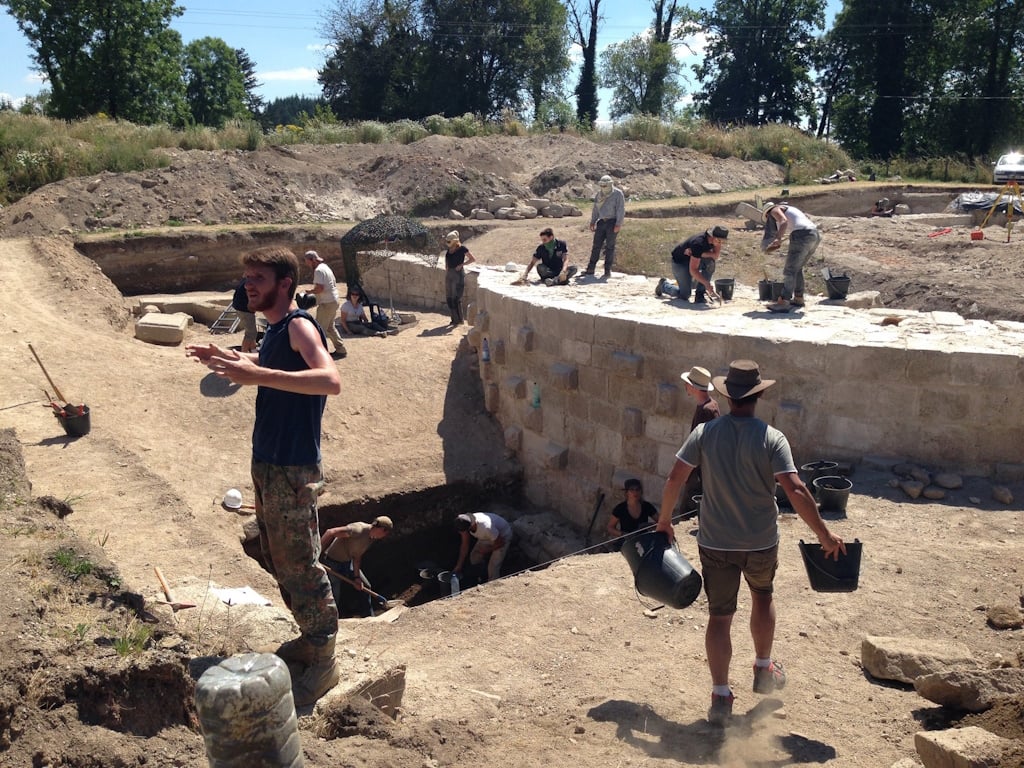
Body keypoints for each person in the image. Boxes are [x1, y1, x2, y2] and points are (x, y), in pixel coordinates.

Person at [185, 245, 343, 708]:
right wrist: (235, 362)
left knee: (301, 562)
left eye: (258, 277)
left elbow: (329, 379)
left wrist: (258, 375)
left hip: (294, 466)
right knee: (280, 557)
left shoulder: (298, 325)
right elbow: (275, 371)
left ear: (285, 284)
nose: (248, 285)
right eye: (247, 276)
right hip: (269, 464)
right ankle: (310, 640)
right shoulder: (275, 328)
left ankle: (325, 657)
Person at [656, 359, 845, 727]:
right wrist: (824, 533)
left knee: (720, 617)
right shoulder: (772, 437)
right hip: (759, 541)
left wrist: (664, 521)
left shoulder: (705, 434)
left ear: (727, 398)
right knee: (763, 596)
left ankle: (721, 695)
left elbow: (674, 478)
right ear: (758, 396)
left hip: (715, 541)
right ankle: (762, 668)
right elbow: (795, 487)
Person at [320, 516, 393, 616]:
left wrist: (357, 577)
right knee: (333, 595)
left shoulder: (371, 538)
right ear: (381, 529)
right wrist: (317, 553)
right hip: (332, 563)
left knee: (365, 586)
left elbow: (357, 557)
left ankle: (368, 617)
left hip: (347, 563)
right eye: (385, 533)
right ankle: (332, 621)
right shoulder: (358, 529)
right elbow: (331, 532)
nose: (383, 537)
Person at [761, 203, 821, 310]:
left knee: (789, 270)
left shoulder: (774, 210)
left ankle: (784, 301)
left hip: (801, 235)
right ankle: (798, 298)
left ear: (768, 213)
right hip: (814, 234)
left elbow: (783, 222)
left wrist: (778, 238)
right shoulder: (791, 210)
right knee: (797, 268)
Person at [679, 365, 720, 513]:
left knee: (690, 510)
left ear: (692, 386)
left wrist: (688, 472)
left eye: (687, 383)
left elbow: (704, 445)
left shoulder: (707, 410)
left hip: (701, 473)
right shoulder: (708, 406)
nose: (685, 386)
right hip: (700, 471)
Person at [657, 226, 728, 304]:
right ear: (711, 236)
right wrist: (707, 284)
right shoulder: (698, 243)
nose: (720, 243)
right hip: (680, 263)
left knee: (710, 263)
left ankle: (700, 295)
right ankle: (664, 285)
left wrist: (700, 254)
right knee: (685, 295)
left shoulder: (715, 242)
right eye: (719, 240)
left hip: (694, 260)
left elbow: (715, 256)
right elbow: (693, 270)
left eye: (723, 241)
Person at [302, 250, 347, 359]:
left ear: (312, 260)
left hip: (327, 303)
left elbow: (320, 288)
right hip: (333, 300)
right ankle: (341, 349)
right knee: (330, 327)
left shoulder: (318, 270)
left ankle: (319, 355)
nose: (307, 264)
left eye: (307, 261)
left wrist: (309, 292)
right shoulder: (325, 267)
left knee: (319, 329)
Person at [453, 511, 513, 584]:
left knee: (493, 567)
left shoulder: (486, 527)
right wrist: (459, 565)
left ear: (470, 527)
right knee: (474, 556)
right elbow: (465, 545)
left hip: (503, 536)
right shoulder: (464, 522)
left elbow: (501, 542)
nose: (462, 533)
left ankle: (492, 585)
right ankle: (480, 576)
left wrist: (487, 550)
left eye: (463, 532)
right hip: (487, 537)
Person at [585, 175, 625, 278]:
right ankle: (590, 268)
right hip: (601, 222)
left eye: (605, 185)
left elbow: (620, 210)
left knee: (610, 247)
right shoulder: (599, 195)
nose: (603, 187)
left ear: (610, 184)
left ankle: (607, 270)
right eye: (601, 185)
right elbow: (595, 209)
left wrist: (618, 224)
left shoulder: (617, 194)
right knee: (596, 246)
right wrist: (593, 221)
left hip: (612, 222)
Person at [605, 478, 658, 549]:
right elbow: (610, 527)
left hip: (643, 541)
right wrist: (623, 534)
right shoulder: (620, 508)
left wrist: (648, 525)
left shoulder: (647, 506)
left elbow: (660, 521)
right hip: (626, 542)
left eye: (637, 489)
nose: (635, 492)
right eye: (632, 489)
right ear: (627, 492)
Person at [443, 231, 475, 326]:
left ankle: (459, 320)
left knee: (456, 297)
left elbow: (472, 259)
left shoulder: (462, 249)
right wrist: (447, 266)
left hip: (458, 274)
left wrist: (462, 265)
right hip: (449, 274)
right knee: (449, 297)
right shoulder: (448, 250)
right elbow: (447, 259)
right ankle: (453, 319)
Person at [231, 276, 259, 353]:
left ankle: (253, 350)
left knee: (251, 331)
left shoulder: (246, 280)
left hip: (240, 307)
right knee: (251, 333)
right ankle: (244, 353)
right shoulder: (252, 282)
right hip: (245, 309)